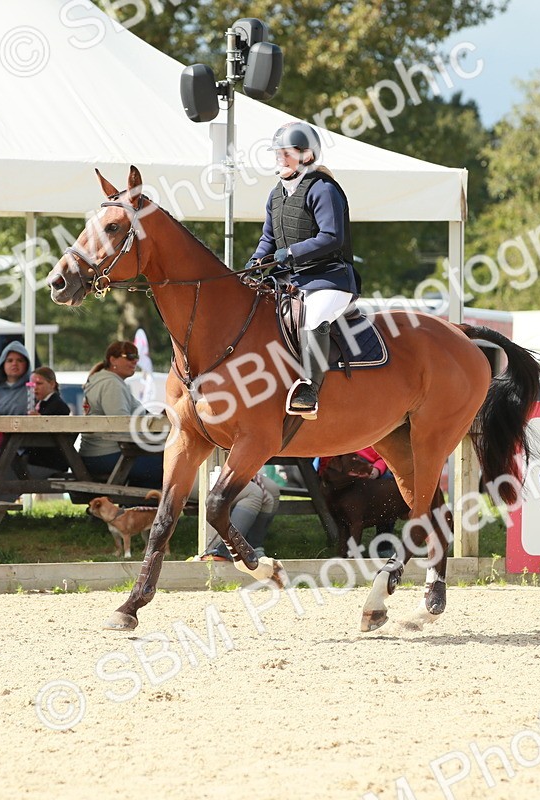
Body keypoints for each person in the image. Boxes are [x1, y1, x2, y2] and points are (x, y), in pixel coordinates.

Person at [246, 121, 359, 419]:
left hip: (329, 279)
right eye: (278, 153)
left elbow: (332, 236)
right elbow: (268, 240)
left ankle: (310, 389)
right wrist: (255, 263)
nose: (280, 158)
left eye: (286, 153)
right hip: (291, 280)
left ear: (307, 155)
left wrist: (291, 252)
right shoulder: (276, 194)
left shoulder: (323, 189)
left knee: (314, 315)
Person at [78, 341, 163, 488]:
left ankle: (135, 507)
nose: (135, 361)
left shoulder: (106, 381)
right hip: (106, 455)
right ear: (113, 360)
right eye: (129, 356)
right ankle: (140, 508)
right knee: (165, 464)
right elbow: (121, 424)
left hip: (97, 454)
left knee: (157, 460)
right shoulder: (111, 384)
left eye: (136, 356)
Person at [199, 471, 281, 562]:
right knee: (254, 492)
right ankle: (225, 550)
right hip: (198, 472)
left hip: (230, 469)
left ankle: (253, 545)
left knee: (273, 490)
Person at [23, 366, 72, 475]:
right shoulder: (40, 403)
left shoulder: (58, 405)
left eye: (39, 384)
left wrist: (40, 420)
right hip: (40, 460)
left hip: (48, 462)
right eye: (32, 385)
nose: (34, 388)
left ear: (52, 384)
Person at [0, 341, 33, 415]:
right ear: (2, 364)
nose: (14, 364)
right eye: (10, 360)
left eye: (20, 360)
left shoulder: (33, 392)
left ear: (27, 365)